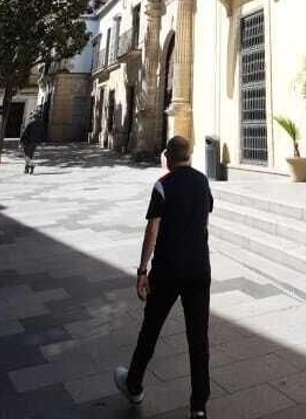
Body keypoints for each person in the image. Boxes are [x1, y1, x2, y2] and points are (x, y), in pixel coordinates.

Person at [114, 135, 212, 418]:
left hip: (168, 270)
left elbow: (152, 230)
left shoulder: (162, 185)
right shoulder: (202, 181)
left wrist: (142, 270)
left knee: (151, 329)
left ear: (167, 157)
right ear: (190, 156)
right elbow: (205, 217)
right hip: (198, 269)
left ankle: (134, 385)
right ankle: (199, 406)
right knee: (198, 338)